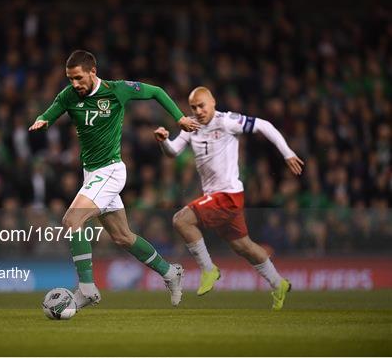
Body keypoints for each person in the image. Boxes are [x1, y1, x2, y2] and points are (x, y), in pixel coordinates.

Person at [29, 50, 200, 308]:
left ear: (92, 72)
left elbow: (156, 92)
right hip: (91, 174)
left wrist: (179, 118)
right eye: (70, 79)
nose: (74, 84)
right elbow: (51, 112)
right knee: (122, 237)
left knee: (72, 220)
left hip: (110, 171)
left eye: (78, 78)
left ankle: (86, 288)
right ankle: (170, 272)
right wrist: (43, 120)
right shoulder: (68, 95)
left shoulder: (117, 90)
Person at [154, 86, 304, 310]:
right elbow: (173, 151)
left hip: (227, 195)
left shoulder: (227, 121)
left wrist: (287, 152)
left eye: (202, 105)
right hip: (217, 196)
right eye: (194, 107)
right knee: (244, 246)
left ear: (213, 102)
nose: (199, 110)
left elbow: (264, 125)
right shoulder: (190, 125)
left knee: (180, 220)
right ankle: (278, 283)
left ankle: (208, 269)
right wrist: (163, 140)